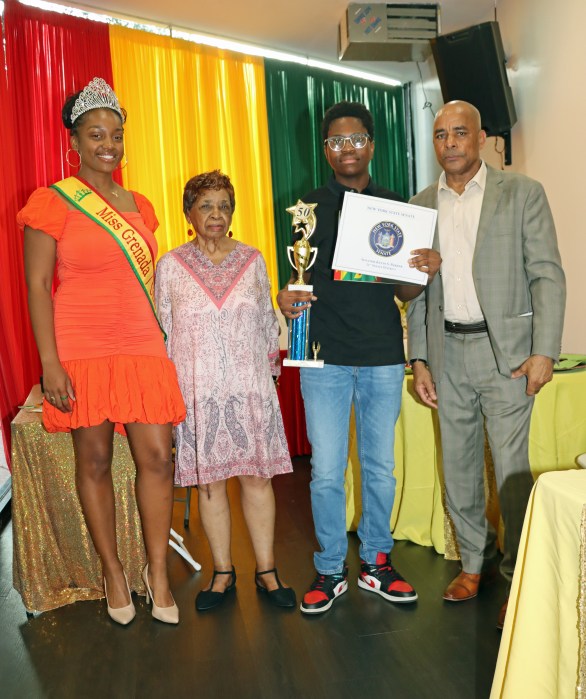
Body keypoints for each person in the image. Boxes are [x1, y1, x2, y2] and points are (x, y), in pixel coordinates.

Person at [19, 77, 186, 626]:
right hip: (81, 345)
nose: (108, 144)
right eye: (95, 134)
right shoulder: (52, 202)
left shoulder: (142, 205)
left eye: (115, 134)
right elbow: (39, 287)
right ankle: (113, 571)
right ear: (75, 141)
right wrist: (50, 364)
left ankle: (156, 573)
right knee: (91, 459)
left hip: (139, 341)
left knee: (157, 459)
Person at [277, 101, 441, 614]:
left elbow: (406, 294)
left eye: (355, 140)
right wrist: (286, 299)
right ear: (324, 150)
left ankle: (376, 562)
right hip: (323, 356)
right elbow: (298, 283)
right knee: (326, 472)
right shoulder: (306, 206)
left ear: (371, 144)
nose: (346, 150)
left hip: (382, 355)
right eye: (335, 142)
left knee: (380, 468)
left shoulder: (397, 206)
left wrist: (424, 271)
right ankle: (330, 568)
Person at [407, 100, 566, 628]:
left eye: (459, 132)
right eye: (439, 134)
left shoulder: (521, 193)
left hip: (509, 357)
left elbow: (546, 274)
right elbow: (415, 293)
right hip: (447, 353)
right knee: (458, 468)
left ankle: (518, 573)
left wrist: (544, 351)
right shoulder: (420, 205)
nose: (449, 142)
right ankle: (472, 565)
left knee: (512, 473)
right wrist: (420, 358)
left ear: (480, 140)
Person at [155, 170, 296, 611]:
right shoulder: (170, 266)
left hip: (249, 390)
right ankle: (222, 573)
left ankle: (268, 571)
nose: (216, 214)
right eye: (206, 205)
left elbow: (266, 325)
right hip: (198, 397)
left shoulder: (253, 260)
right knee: (211, 486)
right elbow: (163, 332)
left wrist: (270, 376)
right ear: (189, 213)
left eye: (224, 206)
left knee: (257, 480)